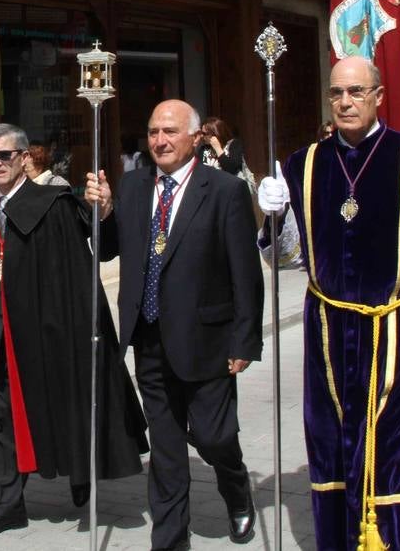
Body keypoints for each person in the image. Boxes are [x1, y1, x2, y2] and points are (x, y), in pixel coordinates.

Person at [257, 56, 400, 551]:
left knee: (392, 451)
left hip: (398, 327)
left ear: (378, 96)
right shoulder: (304, 163)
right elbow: (287, 257)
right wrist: (271, 215)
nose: (346, 102)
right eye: (336, 93)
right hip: (328, 328)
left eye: (356, 92)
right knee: (330, 447)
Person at [86, 99, 264, 550]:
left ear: (195, 136)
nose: (160, 142)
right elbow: (109, 251)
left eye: (169, 132)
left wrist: (245, 339)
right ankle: (169, 539)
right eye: (152, 133)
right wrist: (104, 213)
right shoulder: (133, 184)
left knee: (213, 436)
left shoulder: (223, 190)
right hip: (149, 340)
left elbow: (246, 273)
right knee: (166, 450)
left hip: (208, 341)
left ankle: (236, 490)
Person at [0, 124, 147, 537]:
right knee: (3, 423)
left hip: (48, 337)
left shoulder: (54, 204)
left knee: (64, 407)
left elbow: (95, 256)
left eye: (4, 155)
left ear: (24, 158)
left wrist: (106, 211)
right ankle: (9, 506)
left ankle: (80, 472)